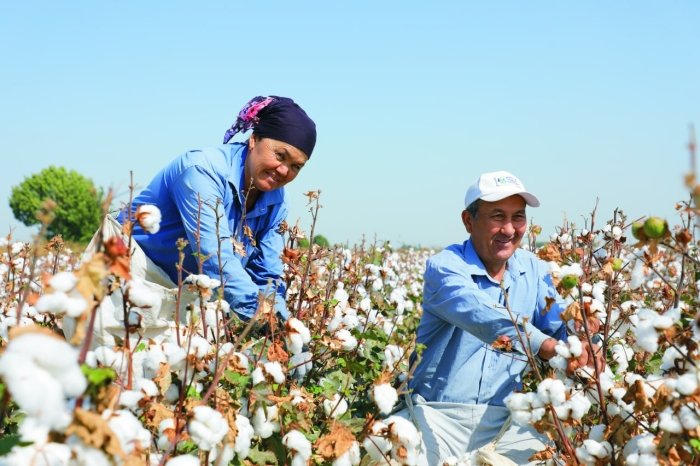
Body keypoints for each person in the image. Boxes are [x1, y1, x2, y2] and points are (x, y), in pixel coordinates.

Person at [401, 170, 571, 465]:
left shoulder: (535, 270)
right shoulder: (445, 268)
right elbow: (484, 316)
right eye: (497, 216)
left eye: (518, 217)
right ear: (469, 221)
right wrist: (545, 346)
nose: (509, 229)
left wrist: (585, 336)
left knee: (552, 458)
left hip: (506, 420)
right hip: (437, 414)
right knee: (392, 452)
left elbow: (560, 327)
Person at [118, 96, 316, 321]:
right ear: (254, 139)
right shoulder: (202, 170)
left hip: (178, 295)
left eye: (296, 167)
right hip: (125, 275)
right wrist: (263, 318)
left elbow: (268, 274)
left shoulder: (277, 201)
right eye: (280, 156)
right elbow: (215, 257)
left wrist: (281, 323)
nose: (284, 171)